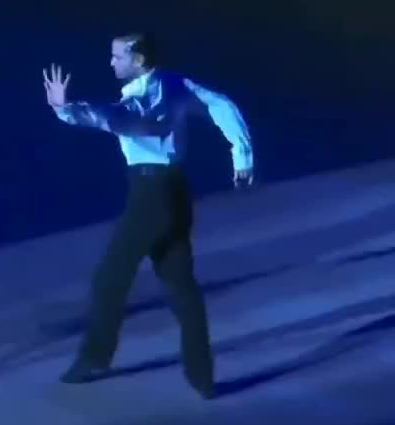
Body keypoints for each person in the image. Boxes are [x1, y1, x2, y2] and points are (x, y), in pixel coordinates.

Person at [41, 33, 256, 399]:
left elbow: (120, 117)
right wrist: (242, 157)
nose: (111, 63)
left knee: (110, 279)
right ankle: (202, 377)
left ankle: (96, 357)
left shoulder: (146, 98)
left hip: (150, 196)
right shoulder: (175, 83)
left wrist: (67, 110)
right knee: (180, 284)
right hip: (175, 191)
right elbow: (220, 103)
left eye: (117, 57)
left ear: (138, 60)